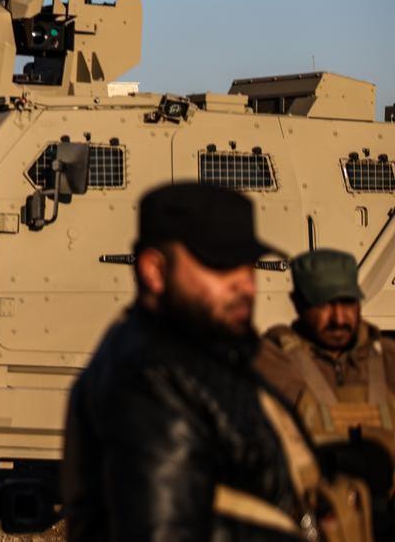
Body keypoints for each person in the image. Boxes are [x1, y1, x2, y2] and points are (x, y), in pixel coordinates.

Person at [62, 183, 371, 541]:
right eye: (222, 267)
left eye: (249, 267)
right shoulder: (148, 381)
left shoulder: (206, 356)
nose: (246, 286)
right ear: (154, 271)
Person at [257, 249, 395, 534]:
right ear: (298, 304)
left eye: (347, 303)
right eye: (324, 305)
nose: (338, 318)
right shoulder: (271, 361)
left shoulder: (388, 358)